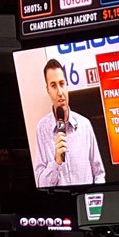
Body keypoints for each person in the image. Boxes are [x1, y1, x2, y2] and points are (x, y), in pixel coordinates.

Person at [31, 57, 106, 187]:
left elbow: (99, 174)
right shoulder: (42, 129)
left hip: (84, 202)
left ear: (67, 85)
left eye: (62, 84)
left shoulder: (85, 125)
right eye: (53, 86)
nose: (60, 92)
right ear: (48, 90)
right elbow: (40, 184)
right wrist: (56, 161)